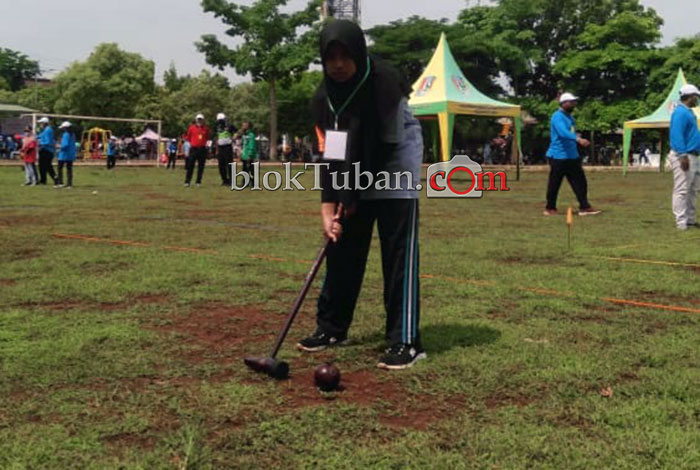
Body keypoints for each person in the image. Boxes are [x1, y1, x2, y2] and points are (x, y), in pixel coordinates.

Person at [296, 20, 425, 370]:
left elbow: (383, 146)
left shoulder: (384, 82)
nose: (338, 64)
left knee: (397, 245)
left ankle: (405, 339)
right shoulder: (323, 99)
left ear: (358, 52)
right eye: (330, 57)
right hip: (355, 159)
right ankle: (332, 327)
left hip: (395, 153)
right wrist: (330, 207)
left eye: (345, 55)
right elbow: (331, 156)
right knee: (344, 238)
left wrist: (351, 196)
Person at [543, 92, 601, 216]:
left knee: (580, 182)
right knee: (555, 183)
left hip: (572, 156)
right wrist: (578, 139)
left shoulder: (570, 117)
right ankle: (550, 207)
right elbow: (563, 132)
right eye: (571, 102)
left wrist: (578, 138)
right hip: (558, 156)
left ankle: (584, 206)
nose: (574, 104)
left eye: (575, 101)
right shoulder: (557, 116)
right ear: (564, 103)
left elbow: (571, 132)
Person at [668, 84, 700, 230]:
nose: (697, 99)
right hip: (685, 154)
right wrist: (682, 155)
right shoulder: (680, 113)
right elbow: (676, 135)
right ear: (690, 96)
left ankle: (690, 219)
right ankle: (681, 221)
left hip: (693, 154)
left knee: (693, 189)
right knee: (682, 189)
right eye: (696, 96)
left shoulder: (688, 112)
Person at [184, 114, 210, 187]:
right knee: (190, 166)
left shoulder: (206, 129)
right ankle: (187, 181)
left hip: (202, 149)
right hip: (193, 148)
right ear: (196, 120)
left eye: (201, 119)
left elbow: (207, 138)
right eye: (198, 119)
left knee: (201, 166)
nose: (199, 121)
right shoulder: (191, 128)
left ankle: (198, 182)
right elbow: (188, 138)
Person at [214, 113, 236, 186]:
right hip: (220, 147)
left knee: (229, 164)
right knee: (221, 165)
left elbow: (236, 132)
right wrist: (216, 148)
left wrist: (233, 138)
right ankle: (224, 180)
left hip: (228, 147)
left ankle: (232, 180)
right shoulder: (217, 127)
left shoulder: (230, 126)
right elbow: (217, 137)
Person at [36, 117, 58, 185]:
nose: (40, 124)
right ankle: (43, 180)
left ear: (45, 123)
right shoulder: (45, 130)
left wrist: (40, 143)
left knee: (48, 166)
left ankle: (56, 179)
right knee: (41, 166)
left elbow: (48, 141)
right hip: (43, 150)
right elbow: (39, 136)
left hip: (47, 151)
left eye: (41, 123)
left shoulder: (48, 130)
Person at [55, 121, 77, 188]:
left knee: (59, 168)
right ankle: (69, 184)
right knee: (69, 169)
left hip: (64, 154)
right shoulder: (73, 134)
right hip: (71, 154)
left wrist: (59, 146)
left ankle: (60, 183)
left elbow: (65, 145)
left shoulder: (66, 134)